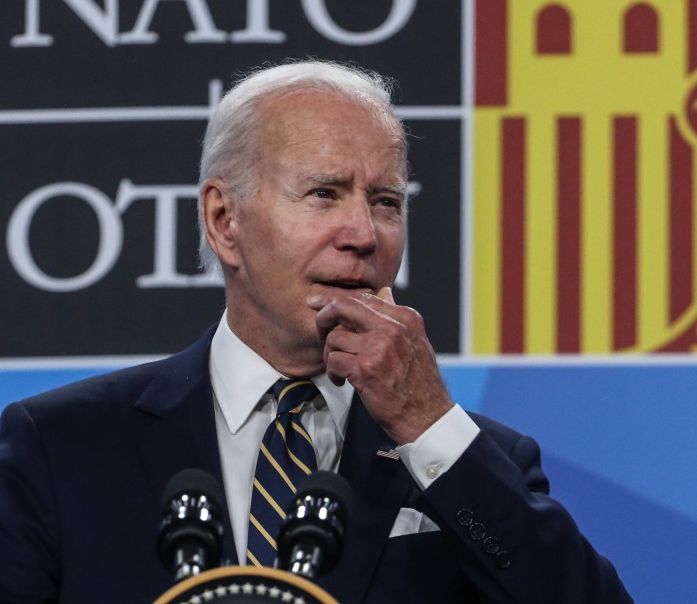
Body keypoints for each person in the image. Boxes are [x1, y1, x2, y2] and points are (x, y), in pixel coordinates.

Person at [0, 59, 633, 603]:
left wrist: (426, 424)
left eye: (386, 202)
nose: (364, 234)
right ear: (224, 220)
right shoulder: (59, 449)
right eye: (324, 193)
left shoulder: (470, 456)